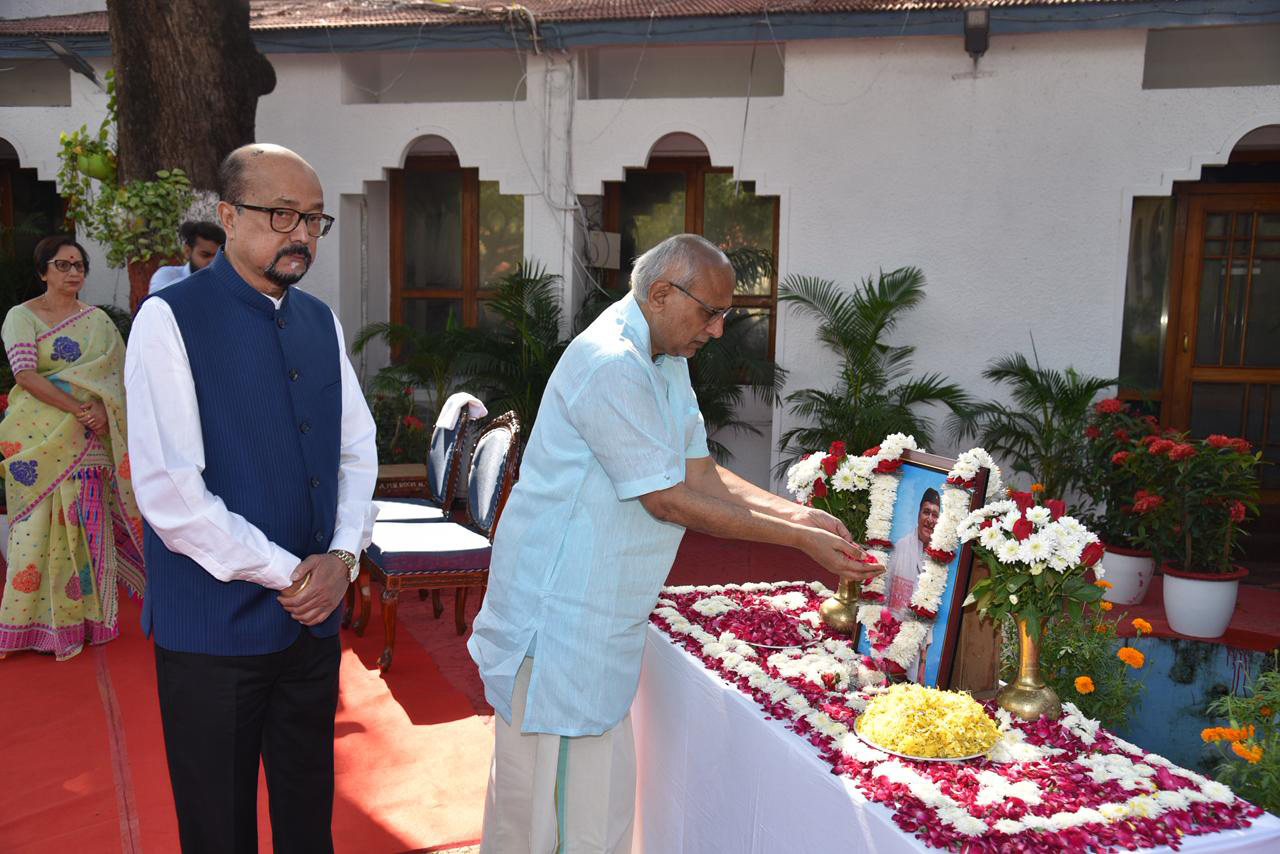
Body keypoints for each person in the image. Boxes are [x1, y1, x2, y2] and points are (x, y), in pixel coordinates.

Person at [468, 234, 884, 854]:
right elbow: (663, 498)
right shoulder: (612, 360)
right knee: (538, 816)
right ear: (661, 293)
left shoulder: (665, 354)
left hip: (602, 607)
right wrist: (796, 540)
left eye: (725, 315)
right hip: (556, 612)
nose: (718, 330)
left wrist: (803, 516)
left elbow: (698, 472)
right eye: (710, 312)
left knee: (596, 795)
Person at [124, 143, 377, 853]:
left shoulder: (319, 320)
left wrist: (341, 557)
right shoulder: (169, 320)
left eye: (314, 220)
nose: (300, 234)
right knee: (219, 830)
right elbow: (171, 493)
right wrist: (293, 573)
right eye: (282, 215)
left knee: (308, 822)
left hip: (312, 626)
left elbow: (357, 450)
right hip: (214, 634)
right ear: (229, 217)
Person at [0, 236, 145, 660]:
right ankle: (23, 628)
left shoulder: (97, 321)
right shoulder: (21, 317)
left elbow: (117, 376)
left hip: (88, 444)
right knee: (32, 536)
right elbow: (25, 375)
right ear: (42, 270)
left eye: (79, 265)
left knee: (87, 530)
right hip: (37, 439)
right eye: (62, 265)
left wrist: (100, 407)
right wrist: (80, 409)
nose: (73, 272)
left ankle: (85, 623)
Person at [885, 487, 942, 683]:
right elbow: (883, 591)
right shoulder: (900, 547)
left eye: (935, 515)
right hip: (890, 637)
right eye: (926, 512)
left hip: (921, 646)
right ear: (918, 513)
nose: (930, 519)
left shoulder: (941, 559)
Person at [147, 220, 226, 295]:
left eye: (218, 256)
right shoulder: (167, 276)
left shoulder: (224, 283)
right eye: (205, 255)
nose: (213, 262)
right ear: (187, 251)